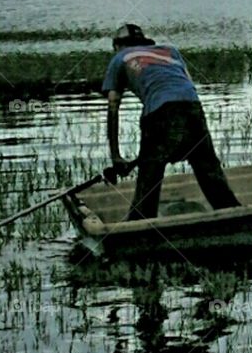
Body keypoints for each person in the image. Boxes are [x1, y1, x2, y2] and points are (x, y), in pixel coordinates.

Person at [101, 23, 242, 221]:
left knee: (149, 180)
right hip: (192, 107)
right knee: (210, 174)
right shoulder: (170, 51)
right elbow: (187, 85)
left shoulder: (119, 58)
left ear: (117, 46)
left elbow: (113, 105)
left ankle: (139, 226)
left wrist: (116, 156)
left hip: (160, 112)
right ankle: (234, 216)